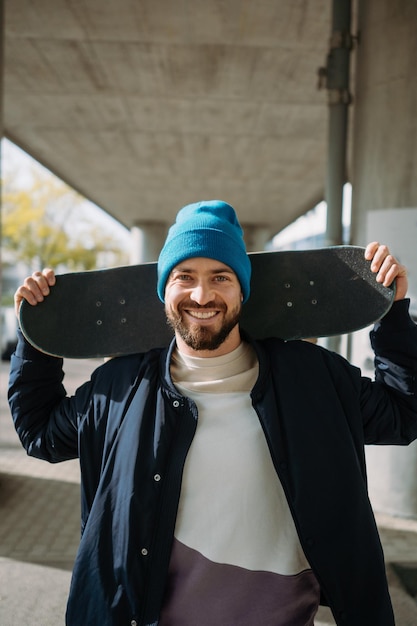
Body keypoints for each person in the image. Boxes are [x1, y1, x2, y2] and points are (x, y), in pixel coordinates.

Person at [9, 200, 417, 626]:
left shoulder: (311, 378)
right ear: (164, 290)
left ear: (242, 289)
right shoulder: (121, 387)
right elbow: (40, 433)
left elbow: (404, 413)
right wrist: (37, 337)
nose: (202, 295)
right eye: (184, 277)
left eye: (220, 277)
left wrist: (392, 319)